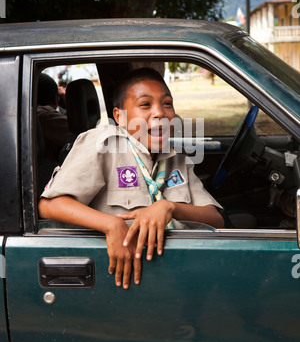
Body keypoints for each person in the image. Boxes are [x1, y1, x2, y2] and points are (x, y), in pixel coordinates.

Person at [38, 68, 224, 289]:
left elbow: (216, 219)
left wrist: (170, 207)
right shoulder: (103, 144)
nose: (160, 113)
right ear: (120, 116)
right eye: (145, 105)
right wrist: (111, 224)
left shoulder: (173, 157)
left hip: (177, 274)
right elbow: (49, 206)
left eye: (167, 104)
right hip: (120, 279)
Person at [37, 73, 72, 160]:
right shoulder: (46, 116)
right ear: (55, 99)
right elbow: (84, 136)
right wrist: (70, 105)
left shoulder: (35, 113)